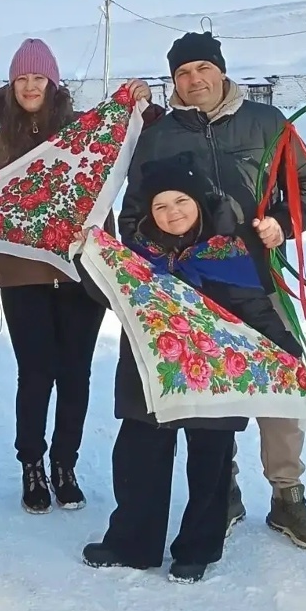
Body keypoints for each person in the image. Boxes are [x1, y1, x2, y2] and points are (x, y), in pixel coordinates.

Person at [119, 31, 306, 549]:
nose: (194, 81)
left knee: (283, 379)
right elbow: (132, 217)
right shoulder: (157, 135)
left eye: (202, 69)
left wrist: (282, 221)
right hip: (189, 287)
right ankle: (225, 489)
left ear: (220, 69)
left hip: (254, 275)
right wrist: (163, 253)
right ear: (172, 82)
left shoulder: (267, 123)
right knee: (210, 387)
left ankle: (287, 494)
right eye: (182, 74)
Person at [79, 155, 251, 583]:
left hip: (217, 379)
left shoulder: (227, 252)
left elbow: (254, 307)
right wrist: (87, 256)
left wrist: (284, 351)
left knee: (211, 462)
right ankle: (132, 542)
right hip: (149, 376)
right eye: (160, 206)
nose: (172, 212)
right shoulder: (137, 257)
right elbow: (106, 291)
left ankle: (197, 548)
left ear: (199, 202)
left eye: (181, 201)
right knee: (139, 459)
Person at [0, 38, 110, 514]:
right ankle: (31, 462)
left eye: (39, 78)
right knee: (35, 374)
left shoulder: (79, 131)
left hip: (77, 277)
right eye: (22, 79)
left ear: (53, 83)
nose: (30, 86)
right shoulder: (1, 141)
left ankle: (64, 463)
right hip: (23, 277)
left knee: (75, 374)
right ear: (12, 85)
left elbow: (102, 187)